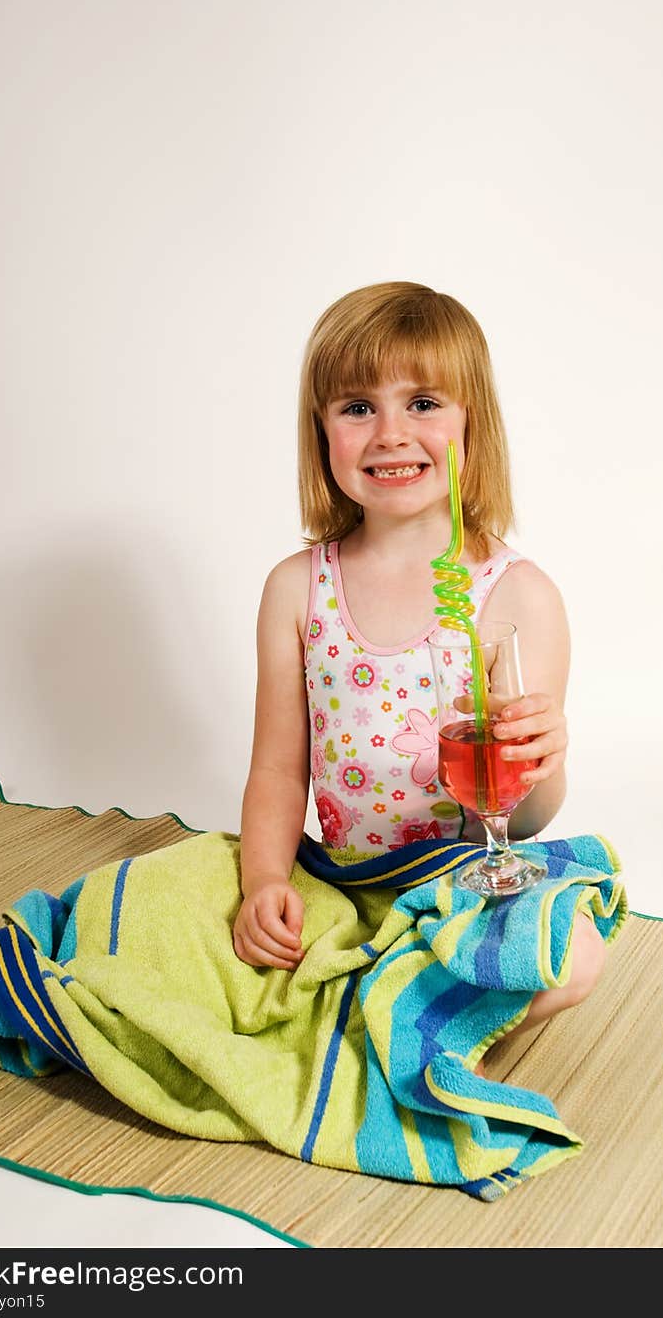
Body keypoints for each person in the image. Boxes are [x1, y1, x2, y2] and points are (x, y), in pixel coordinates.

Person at [232, 281, 606, 1065]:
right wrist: (266, 881)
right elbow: (275, 767)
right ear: (321, 431)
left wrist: (544, 756)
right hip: (341, 883)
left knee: (575, 953)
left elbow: (525, 820)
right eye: (357, 406)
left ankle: (387, 1017)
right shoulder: (298, 587)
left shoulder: (519, 593)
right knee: (175, 898)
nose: (390, 433)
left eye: (425, 403)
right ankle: (379, 1004)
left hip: (461, 882)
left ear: (473, 425)